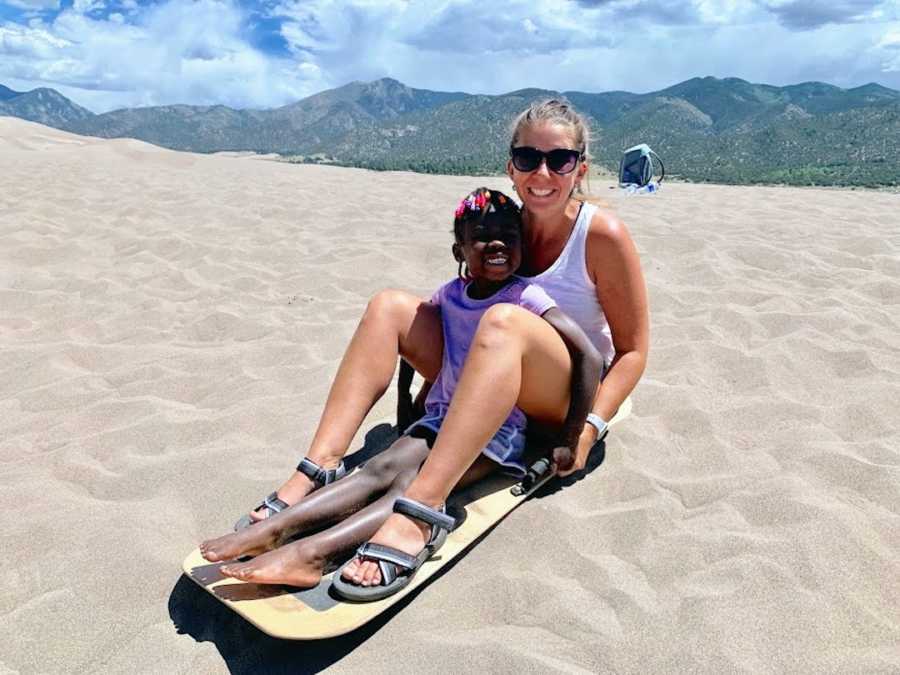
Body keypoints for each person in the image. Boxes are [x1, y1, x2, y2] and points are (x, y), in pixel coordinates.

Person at [199, 187, 603, 591]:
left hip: (495, 434)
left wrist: (571, 436)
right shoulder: (452, 294)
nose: (496, 242)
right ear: (459, 251)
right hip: (442, 416)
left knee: (409, 486)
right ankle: (277, 529)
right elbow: (412, 346)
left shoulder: (524, 295)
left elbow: (588, 356)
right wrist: (406, 406)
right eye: (481, 236)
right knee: (381, 469)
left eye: (508, 235)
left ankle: (313, 553)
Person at [337, 99, 649, 597]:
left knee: (506, 319)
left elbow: (633, 352)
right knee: (391, 307)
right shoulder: (503, 226)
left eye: (559, 160)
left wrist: (588, 428)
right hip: (494, 372)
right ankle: (318, 466)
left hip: (560, 394)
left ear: (580, 169)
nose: (542, 172)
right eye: (528, 159)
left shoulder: (601, 235)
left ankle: (423, 510)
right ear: (511, 166)